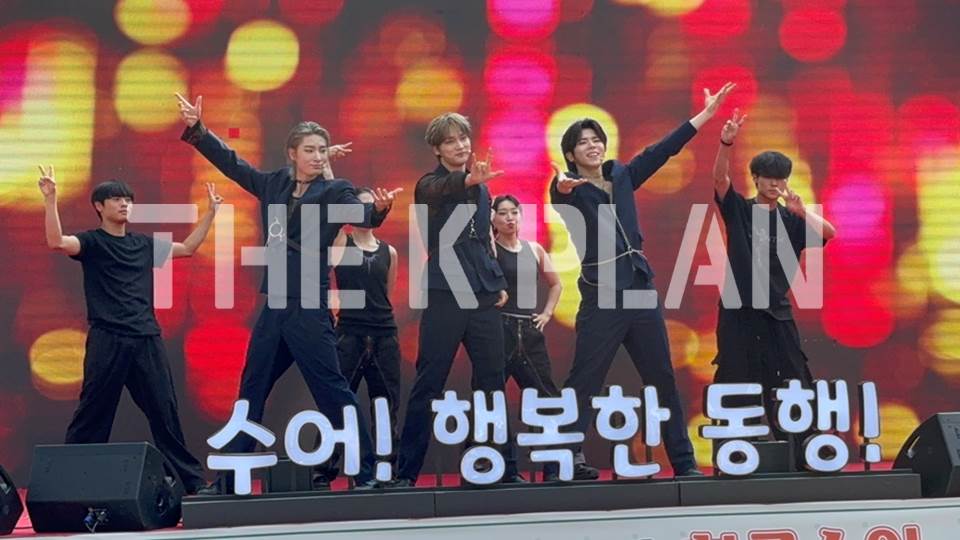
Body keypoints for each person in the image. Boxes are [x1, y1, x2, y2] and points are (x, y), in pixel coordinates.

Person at [175, 94, 401, 492]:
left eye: (322, 150)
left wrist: (378, 211)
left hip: (308, 305)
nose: (317, 156)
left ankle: (366, 473)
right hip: (275, 305)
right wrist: (199, 130)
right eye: (309, 150)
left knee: (333, 391)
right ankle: (229, 481)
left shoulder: (335, 191)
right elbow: (233, 164)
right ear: (292, 154)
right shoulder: (274, 184)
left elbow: (360, 213)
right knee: (251, 392)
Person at [549, 82, 737, 477]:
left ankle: (684, 463)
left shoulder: (622, 176)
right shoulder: (571, 191)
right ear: (570, 154)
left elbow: (663, 150)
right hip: (602, 295)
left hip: (638, 290)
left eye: (596, 140)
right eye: (583, 142)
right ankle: (563, 459)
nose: (592, 146)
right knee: (585, 379)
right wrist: (562, 186)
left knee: (662, 377)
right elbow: (559, 192)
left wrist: (705, 115)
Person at [40, 166, 221, 495]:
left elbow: (187, 249)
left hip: (146, 337)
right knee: (93, 413)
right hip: (107, 337)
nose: (124, 204)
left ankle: (193, 483)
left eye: (128, 199)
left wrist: (211, 214)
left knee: (164, 411)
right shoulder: (92, 242)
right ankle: (68, 487)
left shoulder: (142, 244)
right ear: (99, 206)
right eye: (116, 199)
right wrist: (50, 200)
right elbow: (56, 242)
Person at [393, 112, 523, 487]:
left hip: (483, 295)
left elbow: (484, 240)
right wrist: (467, 180)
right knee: (429, 381)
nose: (460, 145)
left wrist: (496, 281)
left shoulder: (483, 191)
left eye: (463, 138)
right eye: (450, 141)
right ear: (437, 149)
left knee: (492, 382)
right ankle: (406, 473)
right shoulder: (428, 185)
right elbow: (443, 190)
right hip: (446, 293)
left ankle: (500, 467)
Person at [711, 109, 836, 447]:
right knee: (736, 376)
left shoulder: (792, 219)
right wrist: (726, 143)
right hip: (738, 312)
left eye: (780, 178)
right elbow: (720, 180)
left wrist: (802, 211)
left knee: (792, 376)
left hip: (776, 312)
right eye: (768, 177)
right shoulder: (740, 210)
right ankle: (738, 449)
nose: (774, 184)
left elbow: (830, 233)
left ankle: (802, 446)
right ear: (755, 178)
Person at [484, 194, 599, 481]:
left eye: (514, 212)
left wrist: (547, 313)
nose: (510, 218)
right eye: (503, 213)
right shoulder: (490, 249)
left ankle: (556, 466)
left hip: (530, 332)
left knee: (547, 398)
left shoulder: (534, 249)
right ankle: (501, 468)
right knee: (491, 398)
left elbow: (556, 284)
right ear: (493, 218)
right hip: (499, 330)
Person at [313, 187, 402, 488]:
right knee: (337, 403)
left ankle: (385, 470)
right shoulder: (341, 241)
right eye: (359, 207)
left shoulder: (389, 252)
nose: (364, 212)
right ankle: (324, 470)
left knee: (386, 406)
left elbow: (387, 293)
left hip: (384, 334)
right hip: (349, 333)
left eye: (370, 207)